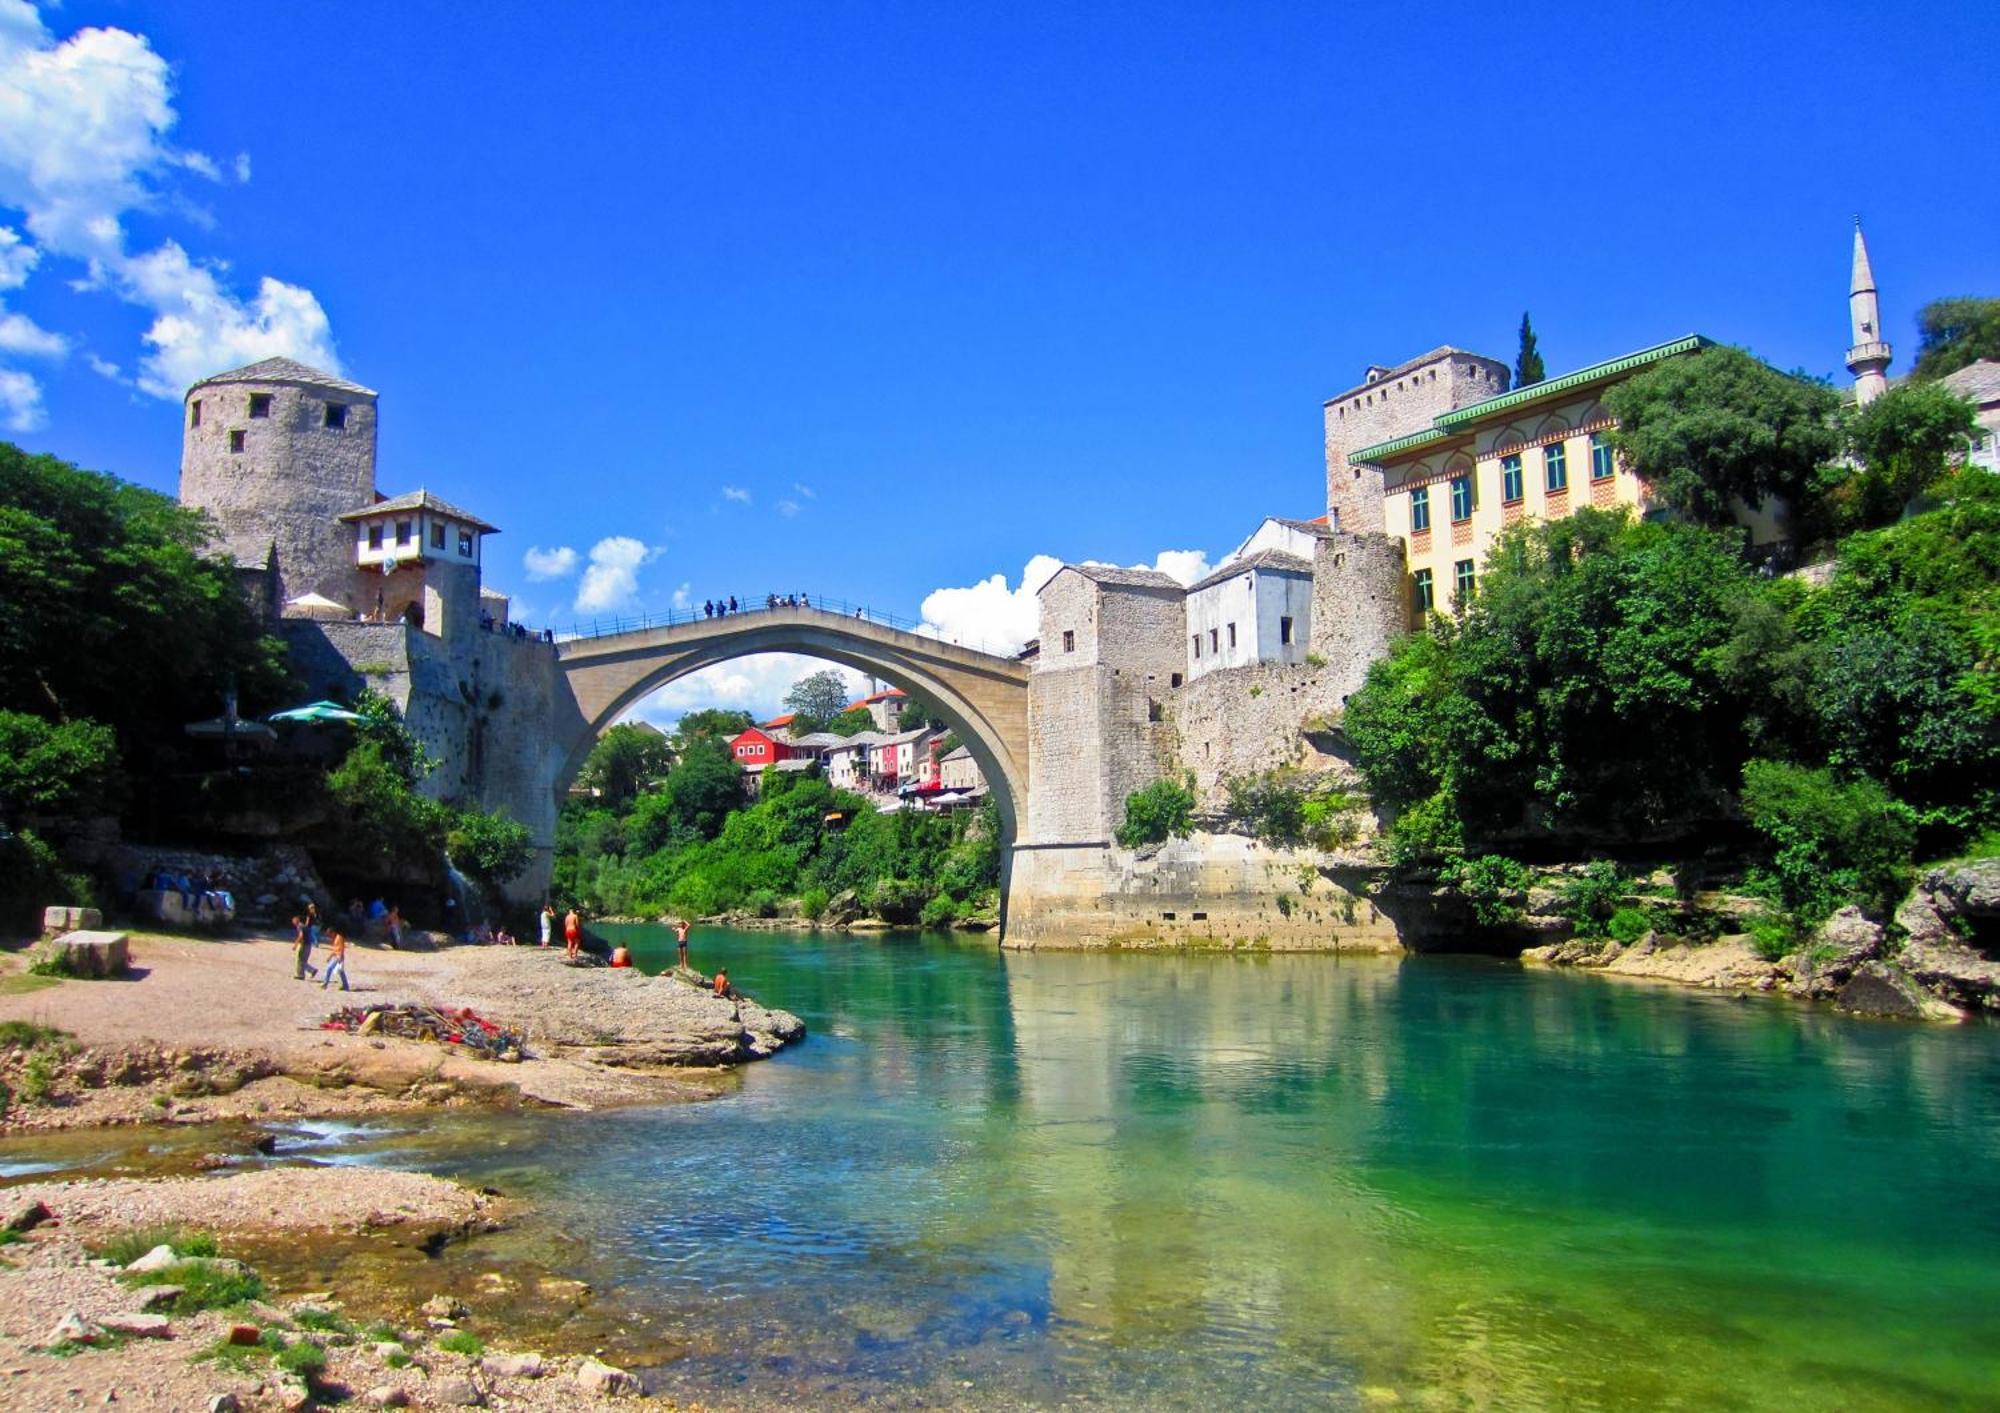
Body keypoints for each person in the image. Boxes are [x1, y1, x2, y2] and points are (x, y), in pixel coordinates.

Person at [291, 912, 317, 981]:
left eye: (294, 920)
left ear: (297, 920)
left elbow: (301, 935)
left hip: (303, 944)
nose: (293, 922)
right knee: (303, 960)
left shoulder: (299, 926)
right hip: (308, 944)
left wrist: (296, 944)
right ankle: (311, 971)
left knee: (299, 959)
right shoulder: (304, 926)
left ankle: (301, 974)